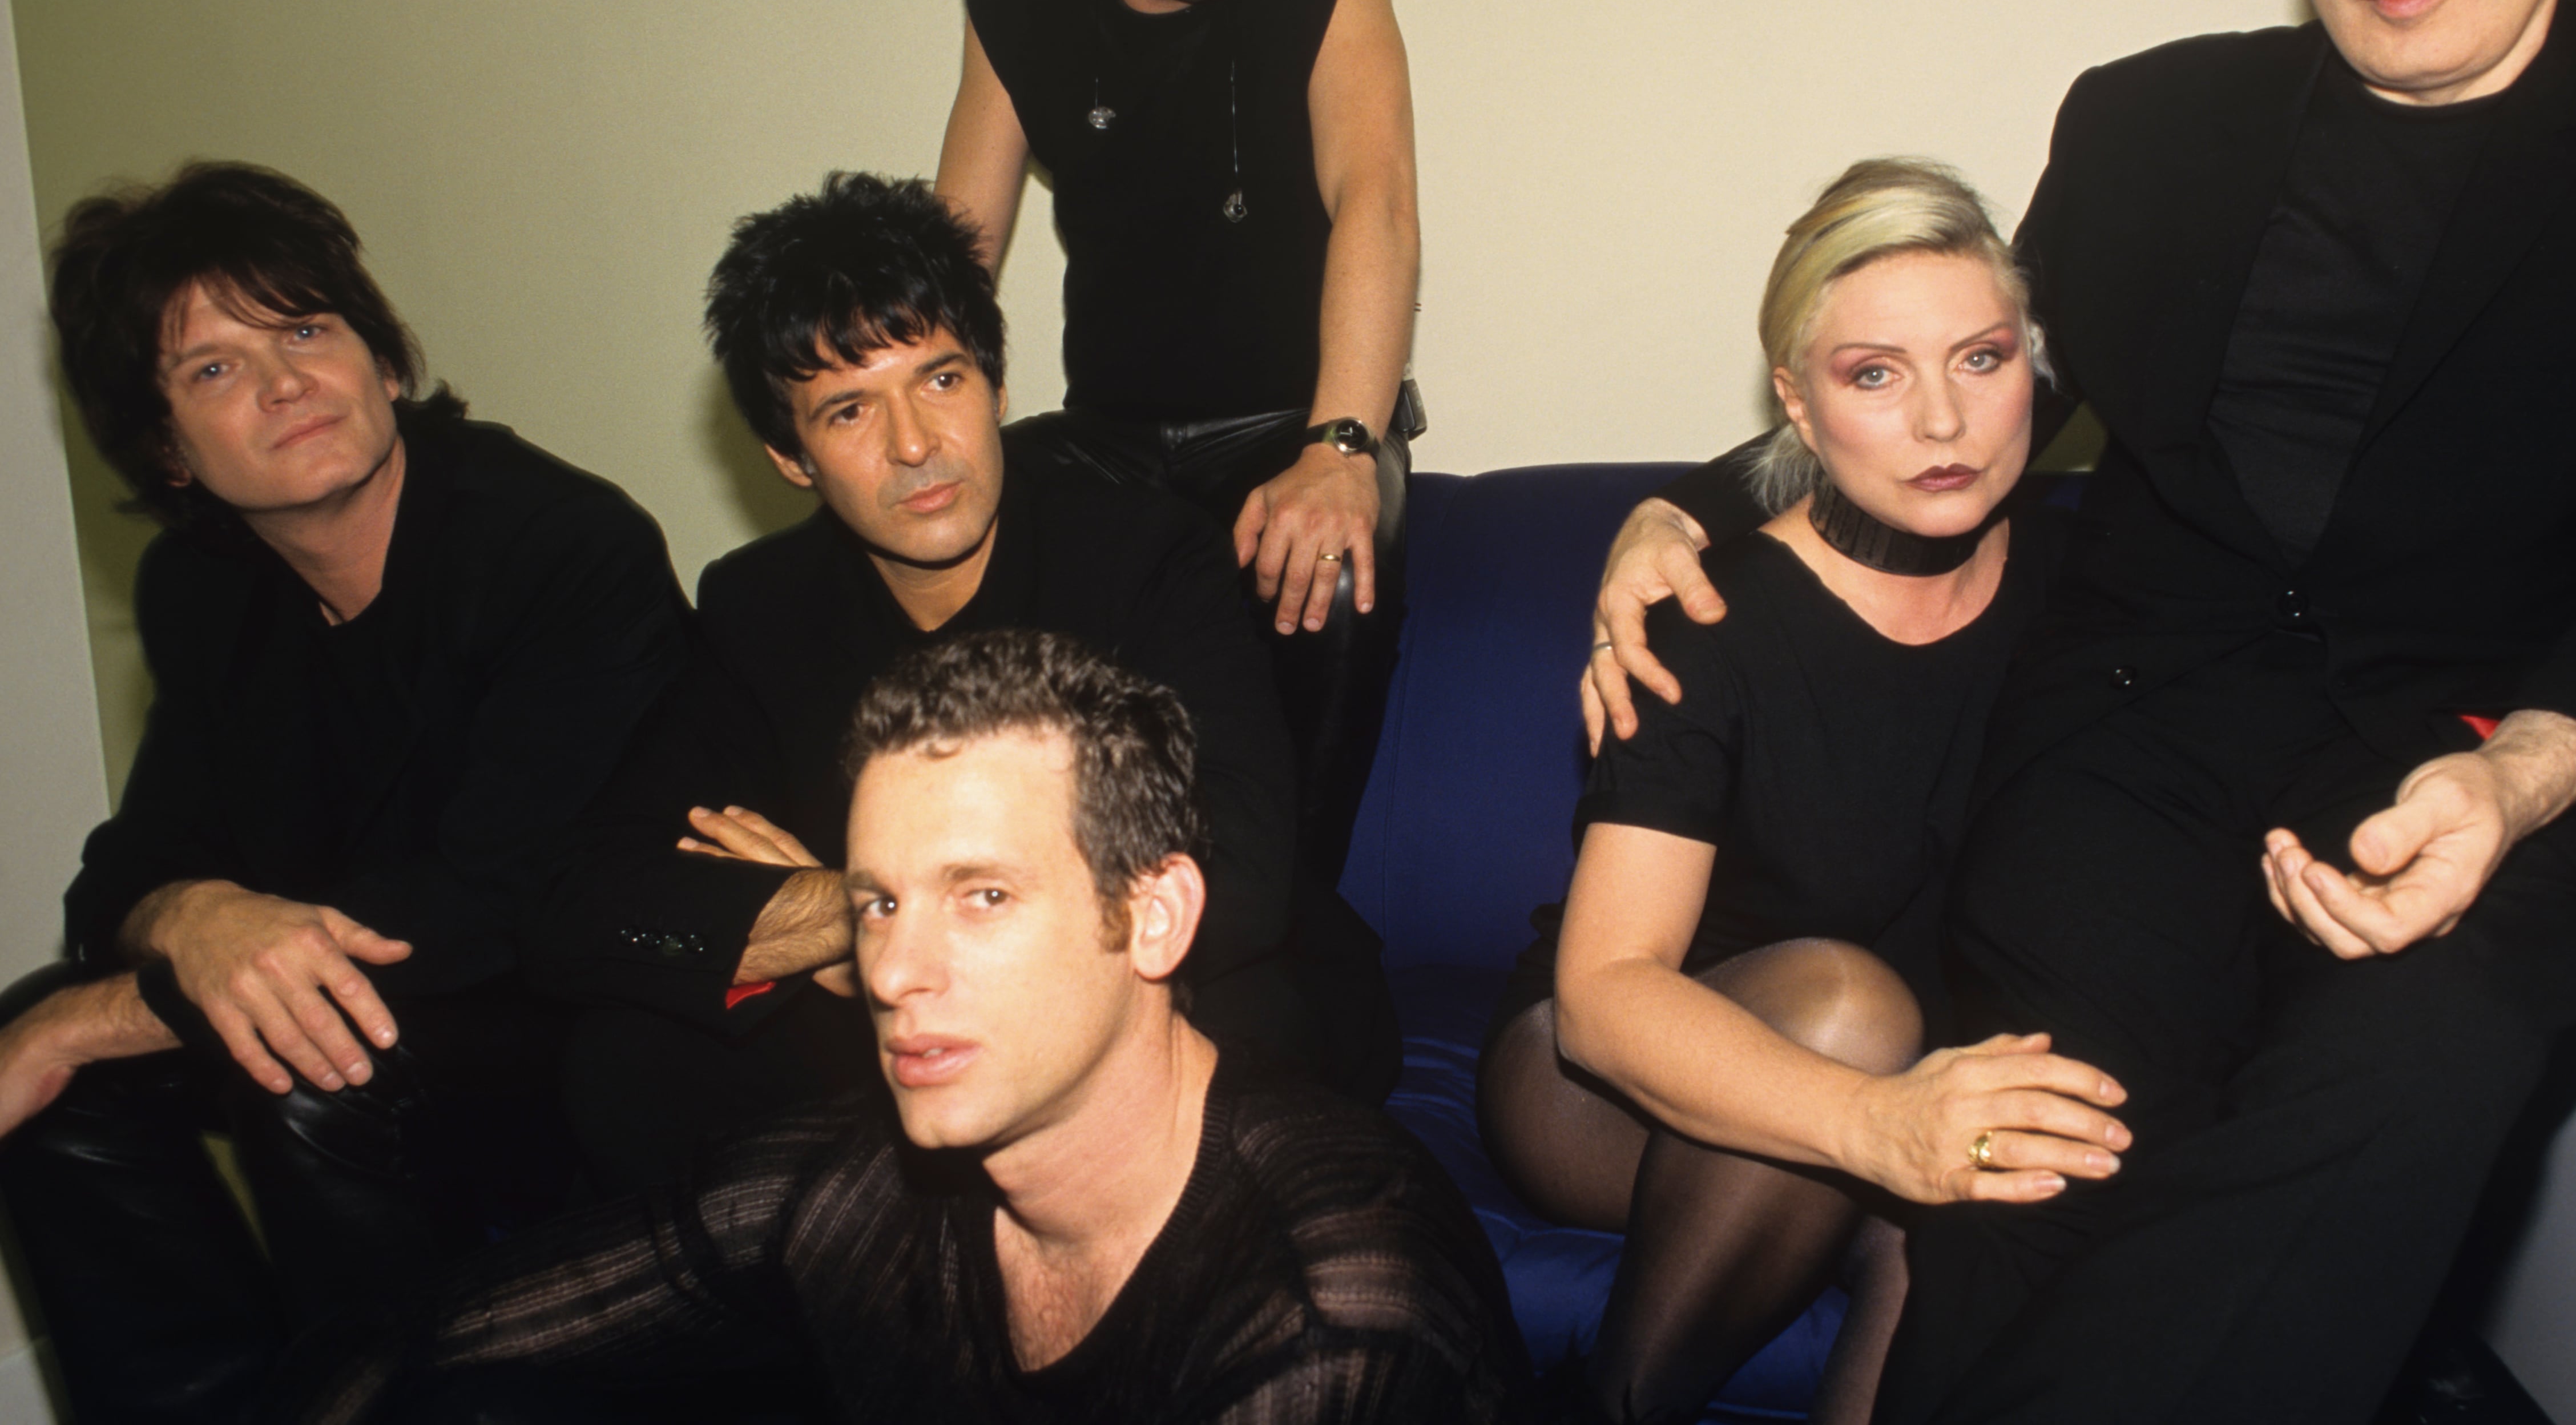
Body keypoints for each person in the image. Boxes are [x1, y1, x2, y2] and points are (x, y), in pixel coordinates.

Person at [1586, 0, 2576, 1425]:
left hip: (2475, 764)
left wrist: (2525, 776)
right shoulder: (2152, 123)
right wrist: (1685, 506)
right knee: (2037, 1138)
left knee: (2415, 1080)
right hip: (2132, 746)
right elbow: (1969, 385)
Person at [304, 629, 1534, 1424]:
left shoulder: (1331, 1323)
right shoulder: (860, 1186)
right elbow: (441, 1337)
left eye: (981, 896)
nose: (895, 968)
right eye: (876, 901)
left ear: (1152, 917)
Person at [524, 173, 1397, 1193]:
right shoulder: (760, 609)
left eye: (941, 381)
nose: (915, 445)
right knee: (629, 1061)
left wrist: (877, 926)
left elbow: (1232, 870)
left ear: (996, 386)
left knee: (1226, 1024)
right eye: (849, 409)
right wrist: (855, 918)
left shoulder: (1144, 558)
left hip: (1191, 998)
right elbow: (579, 900)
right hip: (920, 1028)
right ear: (789, 457)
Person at [0, 163, 692, 1420]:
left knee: (303, 1051)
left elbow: (491, 907)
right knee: (47, 1038)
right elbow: (127, 873)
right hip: (387, 1013)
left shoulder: (559, 545)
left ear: (381, 359)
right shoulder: (201, 590)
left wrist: (111, 1010)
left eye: (306, 328)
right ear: (166, 448)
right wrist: (189, 919)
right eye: (213, 368)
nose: (283, 383)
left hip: (581, 1034)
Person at [1480, 163, 2127, 1425]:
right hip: (1606, 1079)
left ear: (2032, 372)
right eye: (1873, 374)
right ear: (1795, 398)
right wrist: (1885, 1126)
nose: (1942, 422)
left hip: (1908, 1072)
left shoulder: (2087, 585)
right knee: (1843, 1006)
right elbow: (1607, 997)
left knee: (1954, 1217)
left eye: (1981, 361)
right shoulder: (1708, 617)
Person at [935, 0, 1421, 884]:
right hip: (1110, 439)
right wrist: (923, 445)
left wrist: (1344, 444)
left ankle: (1283, 920)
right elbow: (957, 258)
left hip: (1292, 424)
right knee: (932, 554)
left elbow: (1379, 196)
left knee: (1331, 572)